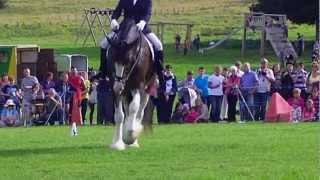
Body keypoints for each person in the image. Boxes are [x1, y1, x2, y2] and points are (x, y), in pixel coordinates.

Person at [99, 0, 165, 83]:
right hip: (125, 27)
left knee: (158, 45)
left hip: (140, 27)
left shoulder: (147, 1)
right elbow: (117, 11)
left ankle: (159, 73)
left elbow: (147, 13)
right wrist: (113, 19)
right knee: (103, 44)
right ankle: (102, 72)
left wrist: (142, 22)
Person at [69, 67, 84, 136]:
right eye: (72, 71)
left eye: (75, 70)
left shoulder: (80, 78)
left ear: (77, 71)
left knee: (78, 109)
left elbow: (84, 87)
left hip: (78, 95)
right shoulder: (70, 79)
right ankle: (72, 122)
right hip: (71, 95)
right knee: (71, 109)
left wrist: (80, 92)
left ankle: (79, 122)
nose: (74, 72)